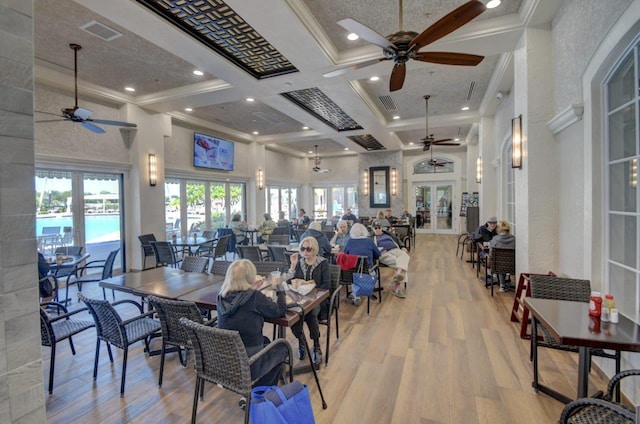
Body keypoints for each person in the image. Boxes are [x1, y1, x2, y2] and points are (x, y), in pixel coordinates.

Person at [216, 259, 289, 387]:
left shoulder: (221, 296)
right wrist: (280, 288)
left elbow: (240, 302)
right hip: (249, 363)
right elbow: (280, 310)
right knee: (283, 348)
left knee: (266, 340)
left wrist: (252, 289)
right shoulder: (255, 297)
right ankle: (256, 391)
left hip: (225, 360)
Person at [287, 237, 331, 365]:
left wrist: (310, 286)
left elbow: (326, 285)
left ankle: (316, 345)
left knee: (311, 314)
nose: (305, 252)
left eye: (308, 249)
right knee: (293, 314)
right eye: (302, 249)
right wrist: (293, 265)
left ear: (315, 249)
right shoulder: (300, 263)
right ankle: (302, 341)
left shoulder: (323, 263)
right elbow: (289, 281)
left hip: (318, 300)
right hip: (301, 299)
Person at [371, 221, 410, 299]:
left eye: (379, 227)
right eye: (376, 228)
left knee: (405, 256)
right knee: (400, 263)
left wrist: (402, 246)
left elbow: (398, 240)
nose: (378, 229)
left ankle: (398, 273)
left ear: (381, 228)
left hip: (395, 250)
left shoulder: (388, 233)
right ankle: (397, 288)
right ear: (372, 229)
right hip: (384, 253)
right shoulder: (371, 237)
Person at [343, 223, 381, 305]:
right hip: (367, 272)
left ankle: (356, 294)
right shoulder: (369, 241)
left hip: (351, 273)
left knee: (355, 272)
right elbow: (378, 254)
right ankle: (362, 290)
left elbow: (345, 254)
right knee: (371, 269)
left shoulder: (350, 241)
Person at [490, 220, 516, 292]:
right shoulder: (515, 239)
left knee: (500, 261)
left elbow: (490, 254)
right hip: (512, 266)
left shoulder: (495, 239)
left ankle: (502, 285)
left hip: (498, 266)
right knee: (505, 261)